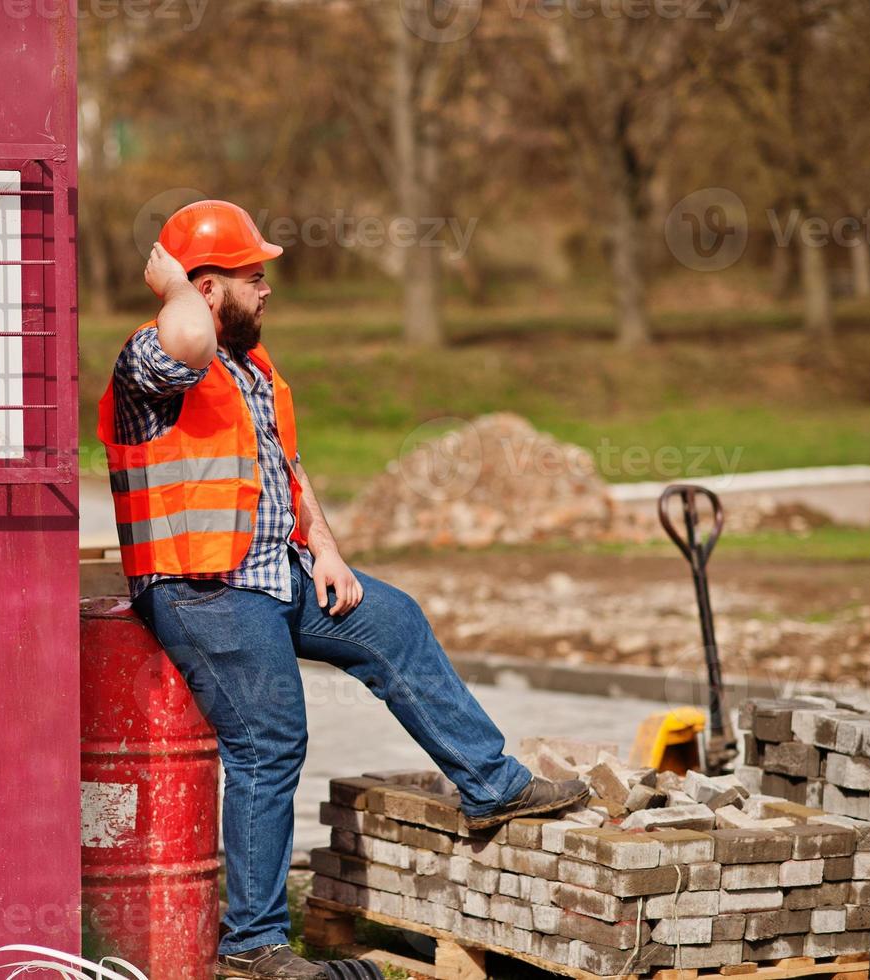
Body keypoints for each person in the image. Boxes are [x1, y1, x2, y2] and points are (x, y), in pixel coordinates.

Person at [97, 200, 590, 980]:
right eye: (251, 278)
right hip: (201, 589)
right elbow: (186, 333)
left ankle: (490, 785)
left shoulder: (250, 370)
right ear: (202, 285)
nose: (267, 292)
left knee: (390, 621)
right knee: (269, 737)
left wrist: (324, 548)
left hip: (271, 572)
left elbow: (285, 469)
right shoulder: (154, 364)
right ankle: (251, 946)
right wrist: (169, 285)